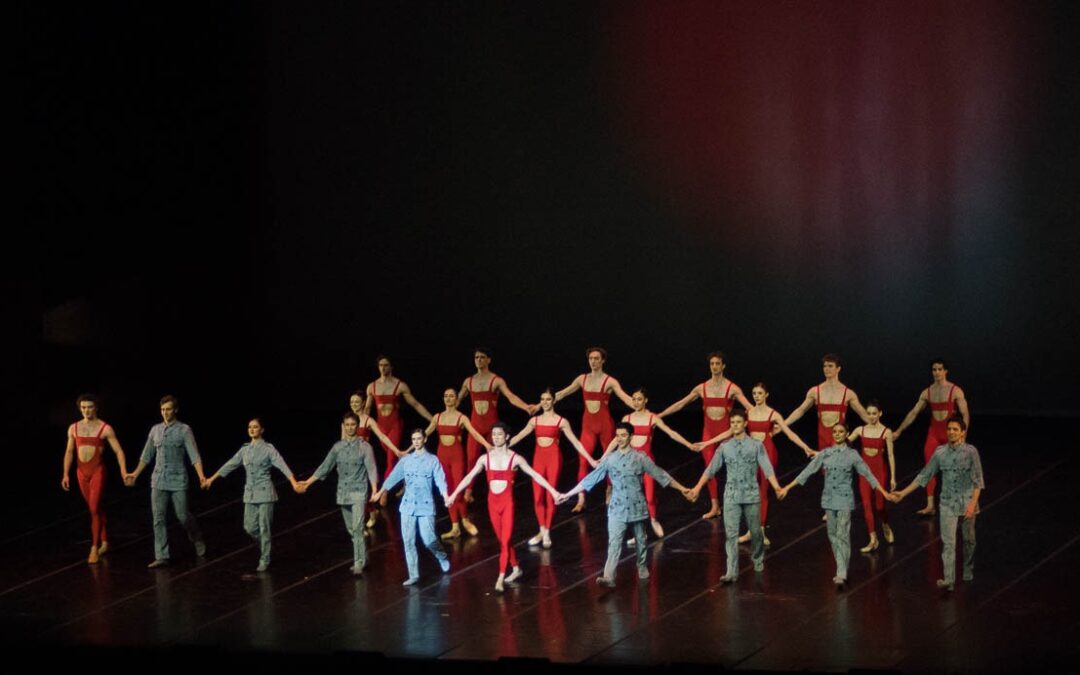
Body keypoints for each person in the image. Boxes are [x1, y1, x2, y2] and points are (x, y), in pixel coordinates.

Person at [557, 422, 692, 588]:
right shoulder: (610, 460)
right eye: (617, 435)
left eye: (623, 435)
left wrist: (682, 489)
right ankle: (608, 577)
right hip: (617, 508)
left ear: (631, 437)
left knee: (641, 540)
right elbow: (591, 479)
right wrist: (568, 494)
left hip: (637, 506)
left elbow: (660, 474)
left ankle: (641, 566)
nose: (620, 439)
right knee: (614, 543)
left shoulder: (641, 458)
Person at [777, 423, 897, 587]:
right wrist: (787, 488)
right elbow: (808, 471)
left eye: (841, 432)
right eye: (835, 432)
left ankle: (841, 571)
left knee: (842, 534)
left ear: (847, 433)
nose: (837, 434)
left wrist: (883, 492)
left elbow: (868, 474)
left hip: (844, 499)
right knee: (832, 534)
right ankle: (842, 566)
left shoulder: (852, 455)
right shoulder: (826, 453)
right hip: (828, 499)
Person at [697, 383, 815, 546]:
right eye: (754, 393)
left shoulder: (773, 414)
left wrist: (805, 447)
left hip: (767, 453)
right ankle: (750, 530)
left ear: (766, 395)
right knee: (749, 492)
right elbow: (730, 431)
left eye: (760, 393)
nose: (756, 396)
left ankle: (760, 530)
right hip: (749, 455)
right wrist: (708, 442)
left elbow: (789, 433)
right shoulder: (748, 413)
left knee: (763, 492)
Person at [448, 423, 561, 592]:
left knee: (506, 540)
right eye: (493, 435)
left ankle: (500, 577)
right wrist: (453, 495)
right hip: (492, 504)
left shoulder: (515, 458)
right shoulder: (484, 458)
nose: (495, 438)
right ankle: (516, 568)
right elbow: (468, 477)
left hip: (507, 504)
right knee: (502, 541)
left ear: (507, 437)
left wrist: (553, 491)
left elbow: (535, 475)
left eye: (499, 435)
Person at [687, 409, 784, 583]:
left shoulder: (756, 445)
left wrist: (777, 487)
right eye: (732, 423)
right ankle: (731, 571)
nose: (735, 426)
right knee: (731, 534)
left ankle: (758, 559)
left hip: (751, 495)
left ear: (745, 424)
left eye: (738, 422)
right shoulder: (725, 447)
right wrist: (697, 487)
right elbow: (710, 470)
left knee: (755, 532)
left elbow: (767, 468)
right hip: (731, 496)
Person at [658, 352, 752, 519]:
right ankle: (715, 506)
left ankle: (737, 503)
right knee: (710, 469)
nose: (714, 366)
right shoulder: (702, 388)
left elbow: (749, 408)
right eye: (712, 364)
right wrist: (660, 415)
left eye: (717, 363)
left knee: (734, 469)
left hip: (726, 433)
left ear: (723, 366)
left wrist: (764, 419)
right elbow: (682, 403)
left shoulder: (732, 388)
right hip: (708, 433)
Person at [893, 417, 983, 591]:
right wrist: (903, 493)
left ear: (962, 432)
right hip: (947, 503)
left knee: (969, 540)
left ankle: (968, 569)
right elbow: (924, 476)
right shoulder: (940, 452)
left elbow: (978, 481)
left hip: (967, 502)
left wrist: (973, 504)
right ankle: (949, 579)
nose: (951, 432)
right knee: (948, 543)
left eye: (955, 429)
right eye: (949, 429)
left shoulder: (971, 452)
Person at [203, 418, 301, 572]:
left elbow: (282, 465)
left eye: (255, 427)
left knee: (264, 527)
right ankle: (265, 545)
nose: (252, 429)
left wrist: (293, 482)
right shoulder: (245, 450)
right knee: (249, 527)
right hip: (250, 494)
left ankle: (265, 558)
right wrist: (211, 479)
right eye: (250, 427)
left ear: (262, 430)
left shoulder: (269, 449)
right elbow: (230, 464)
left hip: (265, 492)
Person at [508, 389, 596, 549]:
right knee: (537, 497)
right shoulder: (534, 421)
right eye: (542, 399)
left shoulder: (561, 421)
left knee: (550, 497)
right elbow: (519, 436)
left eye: (548, 399)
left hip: (554, 459)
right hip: (538, 460)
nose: (545, 402)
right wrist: (497, 447)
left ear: (553, 401)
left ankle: (547, 532)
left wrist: (591, 459)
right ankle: (541, 529)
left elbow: (576, 443)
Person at [126, 395, 208, 568]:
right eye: (163, 410)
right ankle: (162, 555)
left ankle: (196, 537)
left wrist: (201, 475)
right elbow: (146, 456)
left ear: (175, 410)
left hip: (178, 478)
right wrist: (135, 473)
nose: (165, 412)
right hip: (158, 479)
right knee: (158, 518)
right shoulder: (155, 430)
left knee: (183, 515)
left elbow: (194, 455)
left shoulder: (184, 430)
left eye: (168, 409)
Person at [551, 347, 635, 513]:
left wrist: (641, 409)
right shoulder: (582, 379)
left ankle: (609, 490)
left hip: (605, 425)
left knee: (610, 460)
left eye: (597, 359)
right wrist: (542, 403)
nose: (594, 362)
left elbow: (625, 397)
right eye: (591, 359)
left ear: (603, 361)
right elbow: (562, 393)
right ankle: (581, 498)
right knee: (583, 461)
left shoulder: (610, 381)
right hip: (588, 426)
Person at [298, 412, 379, 575]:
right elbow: (325, 466)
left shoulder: (365, 447)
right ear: (343, 426)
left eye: (353, 424)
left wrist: (375, 490)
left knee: (357, 528)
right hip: (343, 492)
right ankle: (364, 556)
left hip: (358, 491)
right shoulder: (337, 447)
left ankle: (358, 563)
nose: (350, 427)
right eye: (347, 425)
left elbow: (372, 469)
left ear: (358, 426)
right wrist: (308, 481)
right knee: (351, 529)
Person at [371, 430, 452, 586]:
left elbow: (440, 480)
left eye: (419, 438)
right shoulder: (406, 460)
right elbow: (393, 477)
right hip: (408, 505)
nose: (416, 442)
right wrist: (381, 492)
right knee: (408, 541)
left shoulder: (432, 460)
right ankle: (413, 574)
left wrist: (445, 496)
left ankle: (441, 556)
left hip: (425, 505)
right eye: (413, 439)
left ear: (425, 439)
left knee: (428, 539)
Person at [613, 387, 696, 538]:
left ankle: (653, 519)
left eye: (639, 399)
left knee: (649, 496)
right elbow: (617, 440)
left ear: (645, 401)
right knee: (633, 497)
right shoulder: (627, 419)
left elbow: (671, 433)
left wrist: (688, 444)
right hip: (631, 464)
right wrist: (604, 455)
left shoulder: (652, 418)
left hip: (647, 462)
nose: (636, 402)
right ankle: (639, 530)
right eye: (634, 399)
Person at [892, 359, 970, 515]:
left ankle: (963, 502)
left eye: (940, 369)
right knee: (929, 468)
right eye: (934, 369)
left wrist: (962, 436)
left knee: (956, 468)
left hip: (951, 434)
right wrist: (899, 431)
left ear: (945, 371)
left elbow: (965, 414)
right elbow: (914, 413)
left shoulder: (955, 390)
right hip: (934, 433)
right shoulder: (927, 392)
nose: (936, 372)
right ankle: (930, 505)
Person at [457, 347, 533, 502]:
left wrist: (525, 407)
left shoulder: (496, 380)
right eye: (476, 357)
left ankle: (501, 489)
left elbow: (511, 397)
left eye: (482, 357)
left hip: (492, 428)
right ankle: (468, 492)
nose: (478, 360)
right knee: (471, 460)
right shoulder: (468, 381)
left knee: (498, 459)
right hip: (475, 427)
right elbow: (456, 401)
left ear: (488, 360)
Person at [61, 393, 130, 564]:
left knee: (93, 508)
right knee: (96, 508)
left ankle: (94, 547)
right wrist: (65, 473)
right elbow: (69, 452)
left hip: (97, 471)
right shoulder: (73, 428)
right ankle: (105, 542)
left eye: (90, 407)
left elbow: (119, 451)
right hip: (81, 473)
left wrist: (123, 471)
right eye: (83, 407)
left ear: (96, 408)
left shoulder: (105, 428)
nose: (86, 410)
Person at [424, 388, 492, 539]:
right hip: (442, 457)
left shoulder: (461, 417)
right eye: (446, 396)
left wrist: (487, 445)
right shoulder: (437, 417)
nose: (448, 398)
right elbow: (426, 434)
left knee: (458, 490)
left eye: (451, 396)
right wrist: (411, 446)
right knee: (447, 491)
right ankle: (455, 526)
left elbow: (474, 433)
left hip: (457, 457)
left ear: (456, 399)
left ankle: (465, 519)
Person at [364, 355, 433, 488]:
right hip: (381, 427)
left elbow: (415, 404)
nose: (383, 368)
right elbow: (367, 409)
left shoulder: (399, 385)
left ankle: (383, 492)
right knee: (394, 457)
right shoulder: (372, 387)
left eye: (386, 365)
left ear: (391, 367)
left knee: (391, 458)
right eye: (381, 365)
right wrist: (362, 427)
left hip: (395, 425)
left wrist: (433, 419)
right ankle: (405, 479)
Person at [783, 354, 871, 450]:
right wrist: (782, 424)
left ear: (838, 369)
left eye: (830, 366)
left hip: (839, 437)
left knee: (838, 463)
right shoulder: (815, 391)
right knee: (824, 463)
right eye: (825, 366)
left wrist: (881, 428)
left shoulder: (848, 393)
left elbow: (862, 413)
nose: (826, 369)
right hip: (822, 437)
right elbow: (800, 410)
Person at [345, 390, 404, 528]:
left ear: (363, 403)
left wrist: (396, 450)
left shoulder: (368, 420)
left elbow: (383, 437)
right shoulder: (346, 420)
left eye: (357, 402)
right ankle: (372, 511)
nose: (354, 404)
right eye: (352, 402)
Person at [847, 401, 897, 552]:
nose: (871, 416)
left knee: (880, 506)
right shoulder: (860, 430)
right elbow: (844, 441)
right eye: (868, 413)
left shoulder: (886, 432)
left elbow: (890, 455)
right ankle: (873, 539)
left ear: (880, 414)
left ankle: (885, 523)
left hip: (879, 472)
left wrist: (893, 477)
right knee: (867, 505)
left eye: (874, 413)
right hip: (864, 474)